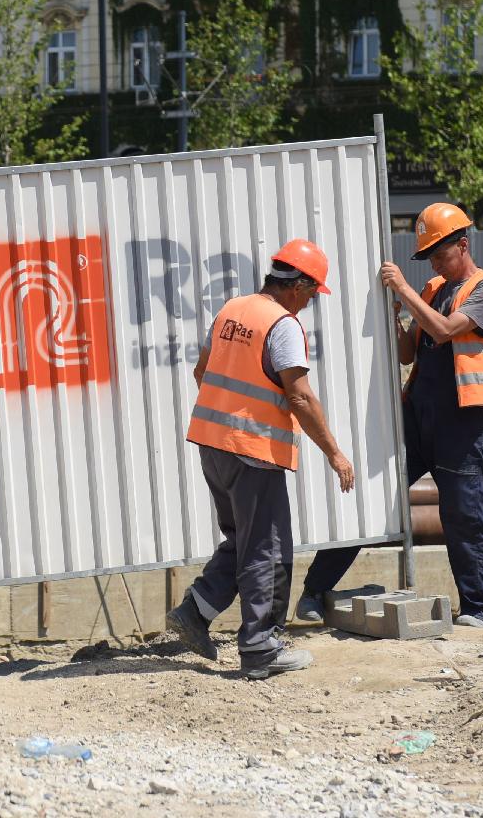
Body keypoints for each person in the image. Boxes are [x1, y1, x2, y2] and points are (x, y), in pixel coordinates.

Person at [296, 203, 483, 629]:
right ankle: (314, 592)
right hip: (418, 416)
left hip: (462, 424)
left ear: (463, 245)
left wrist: (403, 292)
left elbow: (445, 330)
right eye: (428, 255)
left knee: (463, 516)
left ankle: (476, 611)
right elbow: (409, 352)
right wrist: (395, 321)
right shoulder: (433, 288)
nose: (433, 262)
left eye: (439, 253)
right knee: (370, 496)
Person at [164, 239, 357, 678]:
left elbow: (201, 371)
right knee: (267, 549)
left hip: (213, 445)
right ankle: (260, 647)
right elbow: (300, 397)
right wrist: (335, 453)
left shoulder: (233, 309)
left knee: (242, 541)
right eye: (312, 292)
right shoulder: (282, 324)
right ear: (299, 285)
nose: (311, 301)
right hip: (252, 452)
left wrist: (227, 421)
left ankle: (195, 612)